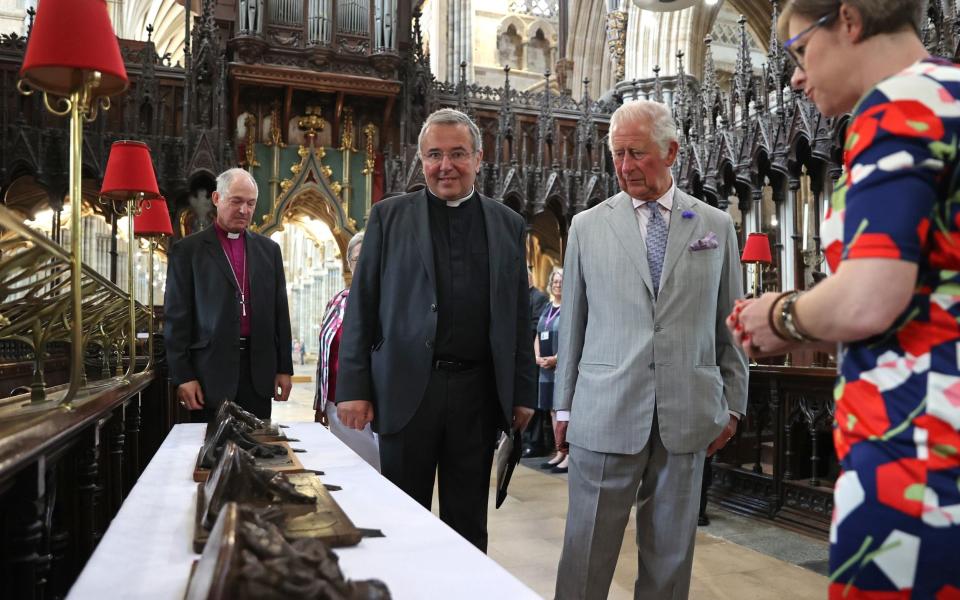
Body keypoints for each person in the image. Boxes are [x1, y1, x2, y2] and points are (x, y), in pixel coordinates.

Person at [731, 2, 960, 597]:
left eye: (801, 51)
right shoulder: (951, 94)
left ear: (850, 22)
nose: (797, 78)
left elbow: (868, 302)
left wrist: (781, 314)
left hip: (917, 442)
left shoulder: (900, 104)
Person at [553, 99, 748, 599]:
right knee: (586, 553)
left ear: (671, 152)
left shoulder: (714, 226)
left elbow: (732, 323)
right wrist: (563, 405)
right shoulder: (587, 226)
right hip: (605, 410)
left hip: (688, 414)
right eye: (617, 155)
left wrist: (733, 407)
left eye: (636, 153)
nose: (624, 167)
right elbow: (573, 323)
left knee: (670, 560)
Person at [335, 108, 536, 552]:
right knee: (402, 517)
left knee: (468, 523)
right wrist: (354, 387)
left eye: (458, 154)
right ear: (421, 160)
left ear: (479, 158)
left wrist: (523, 392)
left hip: (478, 394)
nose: (446, 165)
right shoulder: (390, 217)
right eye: (435, 155)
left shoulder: (507, 225)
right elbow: (362, 307)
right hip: (407, 390)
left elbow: (518, 316)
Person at [164, 167, 293, 420]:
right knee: (210, 454)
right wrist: (184, 376)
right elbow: (176, 319)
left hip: (258, 372)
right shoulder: (188, 251)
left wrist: (284, 368)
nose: (244, 210)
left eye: (250, 203)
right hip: (208, 374)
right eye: (236, 201)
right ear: (217, 198)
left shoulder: (269, 251)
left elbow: (280, 313)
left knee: (256, 450)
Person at [314, 232, 380, 470]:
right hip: (336, 403)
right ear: (349, 264)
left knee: (381, 475)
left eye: (371, 257)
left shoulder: (391, 301)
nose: (363, 264)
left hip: (376, 406)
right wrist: (320, 403)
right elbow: (325, 355)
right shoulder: (338, 301)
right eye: (356, 258)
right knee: (352, 473)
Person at [536, 267, 566, 472]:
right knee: (551, 410)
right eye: (555, 281)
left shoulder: (569, 307)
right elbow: (538, 334)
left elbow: (571, 338)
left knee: (563, 410)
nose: (557, 284)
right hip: (544, 368)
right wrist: (537, 357)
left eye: (561, 281)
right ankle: (558, 451)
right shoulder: (547, 307)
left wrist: (556, 359)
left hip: (560, 366)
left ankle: (567, 453)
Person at [523, 266, 553, 457]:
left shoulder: (539, 297)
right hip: (524, 355)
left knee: (534, 401)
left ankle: (535, 442)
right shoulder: (520, 296)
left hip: (533, 356)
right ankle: (525, 440)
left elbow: (536, 325)